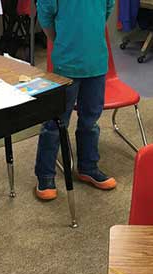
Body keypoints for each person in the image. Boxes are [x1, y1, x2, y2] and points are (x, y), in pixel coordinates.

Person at [34, 0, 116, 201]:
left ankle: (88, 167)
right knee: (55, 123)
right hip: (66, 63)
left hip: (96, 62)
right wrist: (61, 40)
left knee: (90, 121)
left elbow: (107, 9)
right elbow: (45, 15)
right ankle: (45, 175)